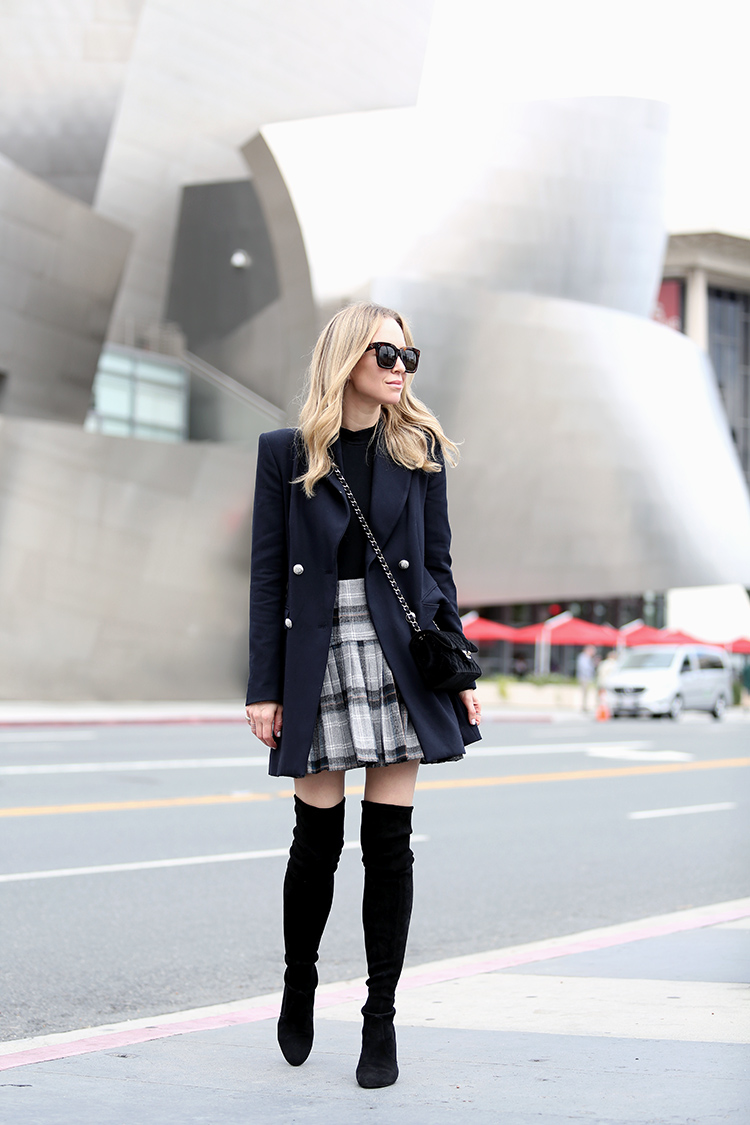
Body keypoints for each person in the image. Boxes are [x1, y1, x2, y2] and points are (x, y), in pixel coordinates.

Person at [244, 302, 481, 1089]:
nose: (400, 366)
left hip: (401, 656)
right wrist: (263, 685)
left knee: (390, 843)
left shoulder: (421, 451)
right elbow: (269, 575)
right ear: (347, 353)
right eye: (387, 351)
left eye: (410, 354)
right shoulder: (286, 452)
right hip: (316, 652)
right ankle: (300, 979)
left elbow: (439, 573)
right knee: (316, 839)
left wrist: (463, 677)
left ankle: (380, 1020)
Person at [576, 644, 598, 712]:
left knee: (587, 693)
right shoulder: (583, 657)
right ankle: (584, 706)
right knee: (585, 693)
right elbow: (584, 668)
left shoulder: (587, 657)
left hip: (587, 678)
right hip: (585, 678)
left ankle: (586, 706)